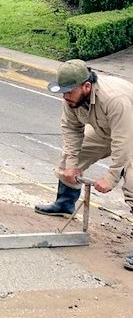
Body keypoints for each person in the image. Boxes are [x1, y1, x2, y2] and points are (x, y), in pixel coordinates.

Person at [34, 60, 132, 271]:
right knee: (69, 159)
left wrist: (111, 177)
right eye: (63, 92)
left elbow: (124, 142)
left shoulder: (115, 99)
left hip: (129, 133)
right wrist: (72, 165)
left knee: (132, 183)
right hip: (105, 131)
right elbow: (70, 130)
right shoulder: (72, 99)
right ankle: (64, 204)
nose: (65, 96)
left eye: (69, 92)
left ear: (86, 87)